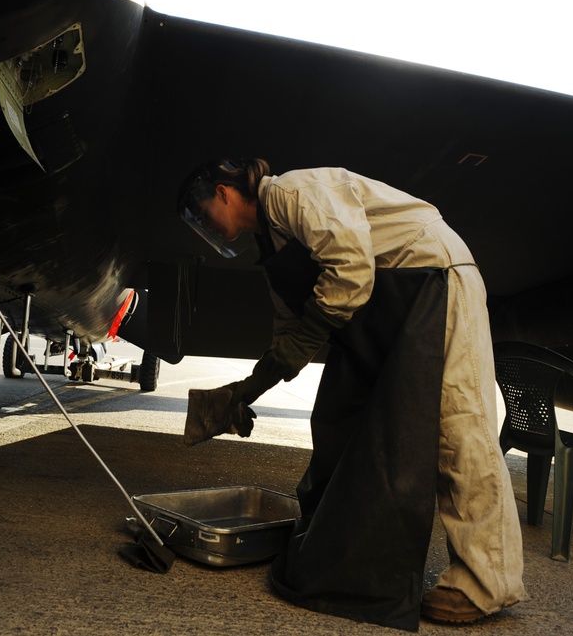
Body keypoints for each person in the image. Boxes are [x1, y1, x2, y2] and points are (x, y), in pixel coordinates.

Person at [176, 158, 525, 627]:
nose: (205, 229)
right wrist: (248, 390)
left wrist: (297, 344)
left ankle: (489, 582)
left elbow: (352, 270)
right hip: (395, 304)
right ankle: (357, 557)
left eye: (202, 216)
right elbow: (292, 331)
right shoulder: (273, 244)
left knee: (458, 426)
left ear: (223, 192)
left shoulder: (294, 194)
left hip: (435, 280)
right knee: (345, 425)